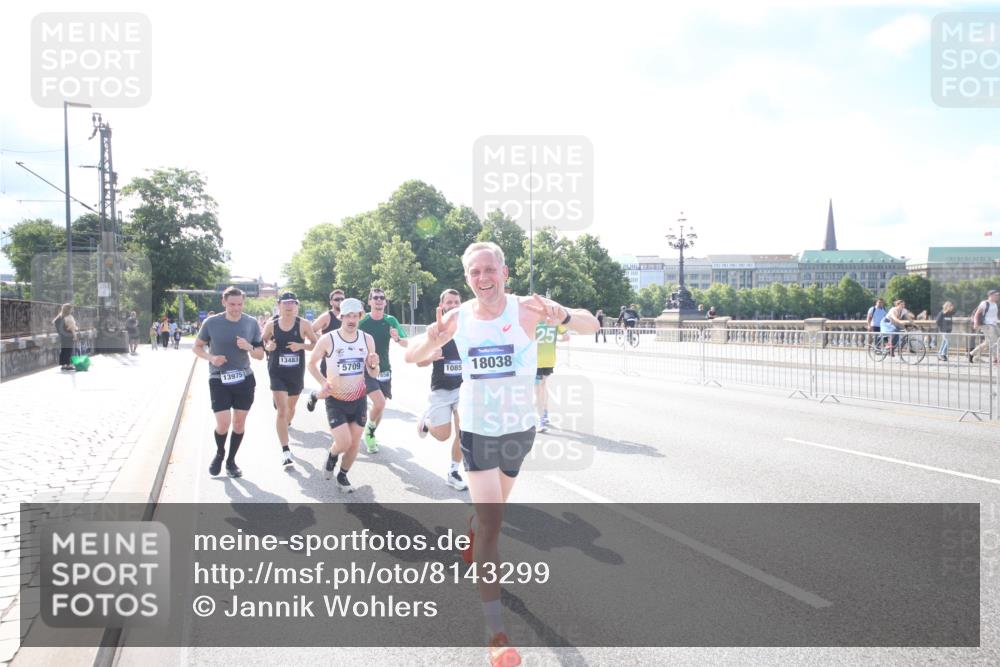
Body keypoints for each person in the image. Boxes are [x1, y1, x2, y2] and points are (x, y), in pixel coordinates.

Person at [404, 241, 599, 666]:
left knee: (491, 515)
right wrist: (431, 340)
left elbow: (591, 325)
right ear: (467, 278)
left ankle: (473, 525)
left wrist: (562, 314)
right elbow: (410, 354)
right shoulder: (458, 318)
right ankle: (496, 633)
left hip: (518, 432)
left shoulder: (528, 309)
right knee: (495, 526)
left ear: (504, 272)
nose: (482, 278)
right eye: (474, 272)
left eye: (489, 269)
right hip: (476, 431)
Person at [307, 297, 380, 493]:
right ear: (341, 317)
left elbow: (373, 373)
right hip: (336, 399)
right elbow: (311, 364)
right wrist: (323, 383)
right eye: (347, 315)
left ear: (360, 317)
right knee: (344, 442)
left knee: (355, 442)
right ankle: (331, 457)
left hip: (358, 399)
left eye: (355, 316)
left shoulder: (367, 340)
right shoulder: (328, 339)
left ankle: (343, 475)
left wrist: (373, 365)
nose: (351, 319)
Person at [193, 286, 266, 478]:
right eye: (232, 304)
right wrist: (211, 358)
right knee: (223, 423)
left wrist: (249, 346)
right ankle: (219, 453)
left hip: (244, 378)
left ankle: (231, 461)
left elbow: (260, 355)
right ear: (223, 302)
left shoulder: (250, 323)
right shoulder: (211, 322)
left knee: (239, 423)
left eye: (240, 304)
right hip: (219, 377)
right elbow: (197, 348)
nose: (236, 308)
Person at [415, 288, 467, 491]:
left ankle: (453, 472)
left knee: (464, 430)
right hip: (441, 390)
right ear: (442, 306)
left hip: (463, 389)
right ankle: (426, 422)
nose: (453, 306)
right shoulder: (434, 331)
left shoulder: (467, 330)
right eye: (449, 302)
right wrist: (431, 357)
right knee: (444, 435)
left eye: (456, 302)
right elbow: (419, 362)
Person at [262, 292, 318, 467]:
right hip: (276, 371)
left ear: (297, 306)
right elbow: (262, 342)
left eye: (292, 303)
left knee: (290, 408)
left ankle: (286, 422)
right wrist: (268, 346)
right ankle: (286, 451)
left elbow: (316, 343)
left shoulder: (304, 324)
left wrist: (301, 345)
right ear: (279, 305)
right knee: (282, 410)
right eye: (285, 303)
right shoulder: (271, 325)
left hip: (295, 373)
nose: (288, 306)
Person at [358, 287, 409, 454]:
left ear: (385, 302)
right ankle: (369, 433)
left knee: (381, 405)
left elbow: (405, 343)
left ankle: (370, 432)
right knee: (379, 403)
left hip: (384, 368)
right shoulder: (363, 321)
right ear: (370, 302)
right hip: (366, 369)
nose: (379, 300)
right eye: (375, 297)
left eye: (381, 298)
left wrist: (397, 338)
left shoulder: (390, 320)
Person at [305, 289, 345, 413]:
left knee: (342, 392)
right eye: (336, 299)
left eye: (342, 299)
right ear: (331, 302)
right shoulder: (327, 316)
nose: (340, 301)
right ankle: (315, 395)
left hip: (345, 360)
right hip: (329, 361)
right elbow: (310, 331)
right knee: (330, 392)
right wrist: (322, 341)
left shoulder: (348, 316)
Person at [535, 319, 570, 432]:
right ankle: (545, 413)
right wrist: (556, 340)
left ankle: (540, 420)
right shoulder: (555, 321)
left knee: (538, 390)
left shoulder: (533, 320)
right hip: (549, 359)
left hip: (535, 360)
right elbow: (567, 337)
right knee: (543, 386)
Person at [969, 289, 1000, 364]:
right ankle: (995, 359)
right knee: (993, 341)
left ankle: (971, 354)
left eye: (998, 295)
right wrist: (975, 324)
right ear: (990, 295)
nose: (997, 296)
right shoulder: (984, 303)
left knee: (987, 342)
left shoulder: (995, 304)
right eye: (996, 295)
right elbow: (977, 313)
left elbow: (993, 316)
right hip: (987, 325)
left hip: (994, 325)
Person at [53, 303, 78, 371]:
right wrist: (75, 336)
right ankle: (68, 364)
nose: (72, 310)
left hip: (62, 336)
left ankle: (63, 364)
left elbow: (56, 324)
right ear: (69, 309)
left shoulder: (59, 317)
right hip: (69, 335)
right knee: (69, 350)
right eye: (71, 309)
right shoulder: (69, 317)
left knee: (63, 350)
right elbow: (72, 327)